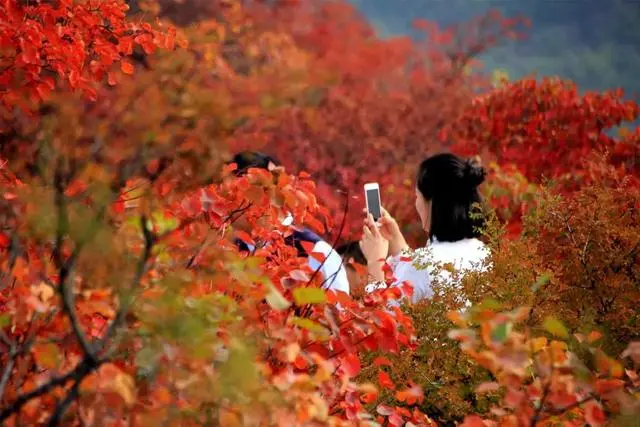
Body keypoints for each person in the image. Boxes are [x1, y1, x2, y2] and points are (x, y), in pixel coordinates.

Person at [359, 152, 490, 304]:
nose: (416, 203)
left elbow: (384, 322)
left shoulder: (423, 267)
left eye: (417, 196)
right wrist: (396, 240)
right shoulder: (482, 252)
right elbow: (420, 277)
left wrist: (375, 263)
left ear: (431, 203)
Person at [228, 151, 350, 295]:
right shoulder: (230, 249)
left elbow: (339, 313)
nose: (226, 203)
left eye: (234, 193)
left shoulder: (316, 253)